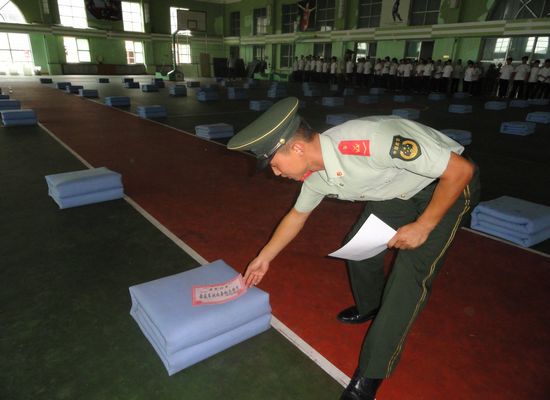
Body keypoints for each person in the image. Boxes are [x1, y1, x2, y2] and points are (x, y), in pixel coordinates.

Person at [226, 97, 480, 400]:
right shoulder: (316, 175)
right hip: (395, 191)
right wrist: (264, 257)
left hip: (444, 184)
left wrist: (423, 225)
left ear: (297, 148)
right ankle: (371, 305)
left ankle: (372, 372)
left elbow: (460, 170)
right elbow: (296, 216)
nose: (276, 173)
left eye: (275, 164)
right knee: (359, 247)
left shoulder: (372, 141)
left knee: (407, 278)